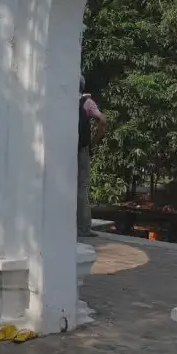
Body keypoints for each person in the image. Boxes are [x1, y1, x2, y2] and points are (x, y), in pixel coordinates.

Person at [77, 76, 106, 238]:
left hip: (63, 149)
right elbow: (102, 120)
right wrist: (93, 142)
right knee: (82, 187)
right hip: (81, 149)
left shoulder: (62, 100)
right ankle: (83, 228)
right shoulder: (87, 102)